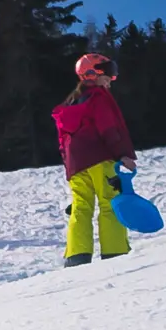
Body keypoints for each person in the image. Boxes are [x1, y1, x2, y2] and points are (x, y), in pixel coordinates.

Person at [52, 53, 138, 268]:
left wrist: (69, 167)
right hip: (100, 157)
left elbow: (63, 140)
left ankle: (77, 256)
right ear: (91, 73)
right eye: (108, 71)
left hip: (76, 164)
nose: (112, 77)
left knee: (81, 207)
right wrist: (121, 155)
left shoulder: (70, 104)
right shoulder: (98, 97)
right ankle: (114, 253)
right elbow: (108, 128)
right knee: (111, 203)